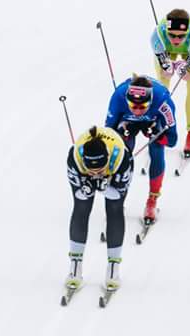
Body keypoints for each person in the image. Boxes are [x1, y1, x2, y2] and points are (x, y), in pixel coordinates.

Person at [65, 125, 133, 293]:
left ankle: (113, 269)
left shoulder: (120, 158)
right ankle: (75, 266)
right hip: (85, 171)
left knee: (115, 209)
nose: (96, 173)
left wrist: (106, 189)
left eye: (100, 169)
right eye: (92, 170)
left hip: (116, 168)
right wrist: (85, 189)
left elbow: (118, 196)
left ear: (107, 159)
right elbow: (80, 197)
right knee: (81, 207)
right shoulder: (75, 159)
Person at [105, 75, 178, 224]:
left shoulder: (163, 102)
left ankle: (152, 199)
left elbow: (172, 140)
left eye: (142, 107)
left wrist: (158, 137)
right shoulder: (118, 97)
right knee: (122, 152)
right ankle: (118, 198)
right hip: (127, 123)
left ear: (150, 102)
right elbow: (108, 134)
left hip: (153, 122)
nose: (138, 111)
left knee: (157, 149)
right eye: (133, 106)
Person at [150, 8, 190, 157]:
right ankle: (159, 126)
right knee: (162, 83)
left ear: (187, 33)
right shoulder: (157, 37)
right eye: (172, 35)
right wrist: (167, 67)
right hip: (166, 50)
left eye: (181, 36)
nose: (176, 39)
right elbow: (163, 65)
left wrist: (185, 69)